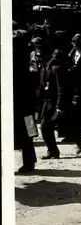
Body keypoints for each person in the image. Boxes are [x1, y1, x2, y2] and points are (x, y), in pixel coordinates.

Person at [40, 49, 81, 159]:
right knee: (55, 126)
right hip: (50, 102)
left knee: (49, 126)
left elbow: (61, 89)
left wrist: (59, 107)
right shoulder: (47, 67)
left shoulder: (58, 69)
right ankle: (54, 149)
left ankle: (54, 150)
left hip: (57, 103)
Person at [13, 29, 38, 173]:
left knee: (24, 132)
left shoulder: (16, 57)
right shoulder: (27, 56)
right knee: (28, 132)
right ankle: (30, 161)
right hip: (28, 102)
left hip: (19, 101)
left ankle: (29, 162)